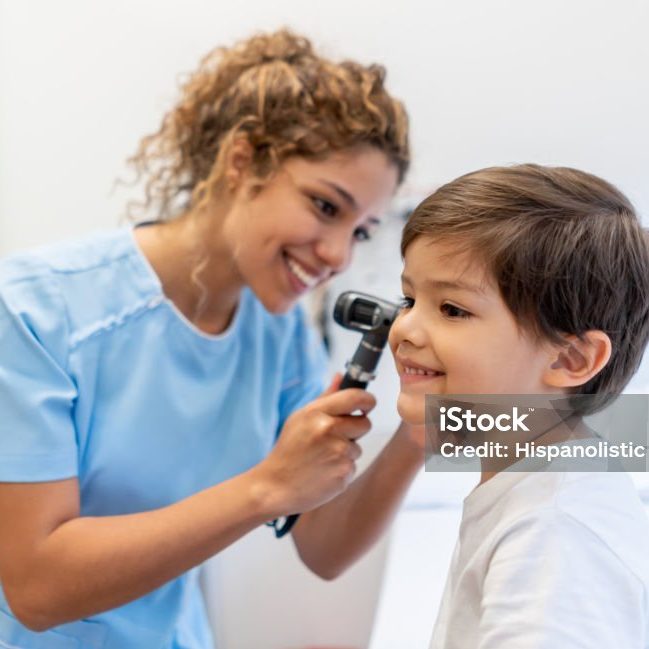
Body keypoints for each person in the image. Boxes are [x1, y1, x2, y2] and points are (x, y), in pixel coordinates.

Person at [0, 30, 424, 648]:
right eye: (326, 207)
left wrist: (420, 433)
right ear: (243, 161)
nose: (337, 255)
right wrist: (266, 487)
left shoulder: (277, 334)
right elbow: (35, 589)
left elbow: (323, 547)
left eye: (361, 231)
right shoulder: (36, 309)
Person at [388, 164, 649, 648]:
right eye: (407, 300)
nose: (404, 329)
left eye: (452, 309)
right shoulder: (534, 487)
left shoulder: (556, 532)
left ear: (572, 358)